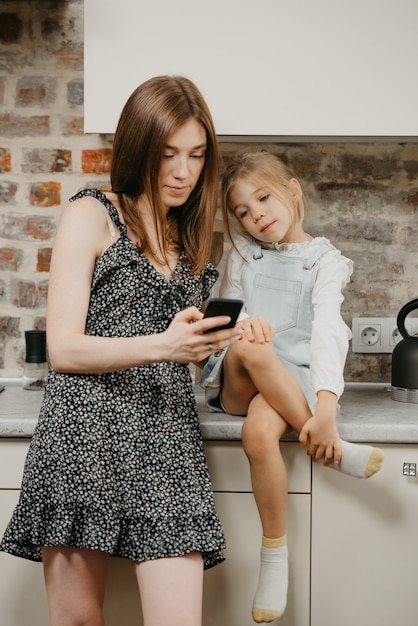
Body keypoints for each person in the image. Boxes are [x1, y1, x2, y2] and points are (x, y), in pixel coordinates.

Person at [0, 75, 244, 626]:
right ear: (139, 149)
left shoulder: (190, 239)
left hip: (166, 438)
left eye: (197, 155)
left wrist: (213, 345)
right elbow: (63, 349)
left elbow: (183, 355)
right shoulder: (91, 213)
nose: (184, 171)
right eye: (168, 154)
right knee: (79, 621)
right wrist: (166, 344)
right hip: (83, 435)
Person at [200, 150, 384, 624]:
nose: (255, 214)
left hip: (290, 384)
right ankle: (337, 453)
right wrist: (239, 331)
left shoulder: (327, 262)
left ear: (294, 190)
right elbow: (224, 321)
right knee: (255, 345)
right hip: (240, 375)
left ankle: (273, 560)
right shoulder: (242, 253)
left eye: (263, 197)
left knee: (258, 435)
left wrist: (326, 406)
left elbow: (328, 331)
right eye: (242, 210)